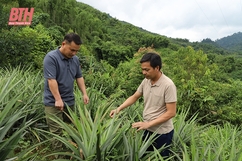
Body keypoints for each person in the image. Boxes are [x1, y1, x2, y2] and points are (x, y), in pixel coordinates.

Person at [110, 52, 177, 158]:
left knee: (160, 158)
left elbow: (171, 112)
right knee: (146, 157)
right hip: (147, 129)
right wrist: (119, 109)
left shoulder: (168, 85)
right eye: (142, 69)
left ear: (157, 68)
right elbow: (135, 96)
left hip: (162, 133)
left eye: (147, 69)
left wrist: (148, 124)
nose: (143, 73)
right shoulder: (146, 81)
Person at [43, 33, 89, 151]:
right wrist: (58, 99)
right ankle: (60, 156)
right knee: (57, 132)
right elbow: (51, 80)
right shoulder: (51, 57)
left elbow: (79, 77)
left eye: (76, 51)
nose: (74, 53)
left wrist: (84, 93)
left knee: (72, 128)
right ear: (64, 44)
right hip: (53, 102)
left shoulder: (75, 59)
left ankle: (72, 152)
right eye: (72, 50)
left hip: (69, 101)